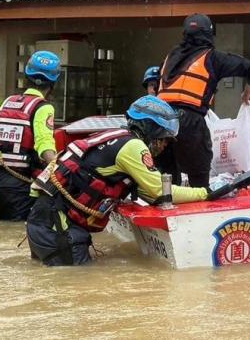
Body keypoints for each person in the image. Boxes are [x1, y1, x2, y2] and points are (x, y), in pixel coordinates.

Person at [26, 96, 214, 266]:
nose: (165, 145)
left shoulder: (117, 139)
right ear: (151, 129)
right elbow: (159, 191)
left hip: (42, 222)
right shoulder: (133, 147)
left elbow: (149, 195)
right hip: (57, 227)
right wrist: (206, 193)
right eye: (164, 139)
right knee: (79, 287)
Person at [157, 13, 250, 188]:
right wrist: (248, 91)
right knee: (199, 176)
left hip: (160, 121)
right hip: (189, 121)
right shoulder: (213, 58)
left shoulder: (171, 56)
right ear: (209, 35)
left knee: (166, 180)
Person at [0, 51, 61, 221]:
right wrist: (62, 171)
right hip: (16, 187)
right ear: (54, 82)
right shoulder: (43, 107)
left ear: (26, 76)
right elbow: (44, 145)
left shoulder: (9, 101)